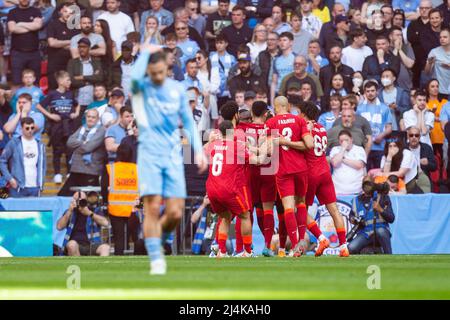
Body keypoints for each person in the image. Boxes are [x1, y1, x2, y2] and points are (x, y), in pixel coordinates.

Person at [131, 44, 206, 275]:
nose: (157, 77)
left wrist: (199, 151)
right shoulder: (141, 87)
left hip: (173, 153)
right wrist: (145, 51)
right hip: (149, 153)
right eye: (152, 73)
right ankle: (156, 258)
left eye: (160, 73)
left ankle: (156, 240)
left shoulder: (176, 90)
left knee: (175, 212)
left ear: (167, 68)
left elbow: (189, 123)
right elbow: (134, 76)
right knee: (152, 206)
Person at [298, 101, 349, 257]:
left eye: (300, 112)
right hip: (325, 172)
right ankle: (343, 246)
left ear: (304, 114)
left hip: (311, 173)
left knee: (299, 209)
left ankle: (319, 238)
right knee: (333, 210)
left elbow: (304, 146)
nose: (298, 115)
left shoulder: (306, 128)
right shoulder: (322, 128)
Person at [265, 96, 314, 257]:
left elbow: (269, 151)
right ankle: (300, 242)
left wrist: (282, 142)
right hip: (301, 168)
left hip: (283, 170)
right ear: (289, 106)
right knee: (300, 204)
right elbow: (309, 144)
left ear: (275, 107)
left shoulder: (271, 123)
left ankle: (294, 247)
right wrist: (291, 142)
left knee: (288, 208)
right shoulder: (299, 121)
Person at [205, 120, 258, 258]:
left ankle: (221, 251)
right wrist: (267, 148)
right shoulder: (236, 146)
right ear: (232, 131)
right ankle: (247, 251)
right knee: (245, 215)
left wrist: (210, 141)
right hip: (228, 188)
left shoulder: (212, 146)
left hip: (212, 189)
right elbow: (257, 161)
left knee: (224, 217)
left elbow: (202, 153)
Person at [36, 70, 80, 184]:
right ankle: (57, 173)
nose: (70, 82)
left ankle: (70, 172)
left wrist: (76, 113)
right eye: (68, 80)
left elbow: (77, 104)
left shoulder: (70, 94)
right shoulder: (52, 94)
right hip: (56, 126)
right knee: (57, 150)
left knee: (69, 149)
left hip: (69, 125)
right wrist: (50, 115)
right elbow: (39, 106)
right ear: (60, 81)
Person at [58, 108, 106, 196]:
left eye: (93, 117)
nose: (90, 119)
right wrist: (83, 143)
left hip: (91, 171)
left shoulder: (102, 130)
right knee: (63, 196)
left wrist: (76, 148)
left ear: (98, 119)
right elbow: (69, 142)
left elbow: (88, 147)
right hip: (76, 169)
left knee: (87, 200)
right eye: (88, 116)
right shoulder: (82, 128)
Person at [105, 142, 139, 256]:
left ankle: (118, 260)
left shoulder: (110, 169)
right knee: (136, 237)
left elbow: (104, 189)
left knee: (118, 238)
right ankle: (140, 260)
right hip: (134, 210)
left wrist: (106, 204)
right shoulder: (138, 169)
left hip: (115, 209)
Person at [347, 176, 395, 254]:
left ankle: (388, 254)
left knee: (381, 232)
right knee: (351, 248)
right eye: (365, 184)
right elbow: (351, 216)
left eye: (369, 183)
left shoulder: (382, 197)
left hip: (380, 228)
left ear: (373, 184)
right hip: (365, 232)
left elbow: (391, 218)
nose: (367, 186)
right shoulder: (356, 200)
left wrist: (380, 209)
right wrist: (353, 219)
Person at [0, 117, 46, 198]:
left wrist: (41, 183)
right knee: (18, 211)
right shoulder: (14, 143)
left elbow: (43, 166)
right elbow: (2, 160)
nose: (30, 130)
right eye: (27, 128)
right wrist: (10, 179)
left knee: (34, 211)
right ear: (21, 129)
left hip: (35, 187)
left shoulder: (40, 145)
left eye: (32, 128)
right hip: (18, 186)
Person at [57, 191, 110, 256]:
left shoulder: (93, 210)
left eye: (82, 200)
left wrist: (90, 214)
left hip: (92, 243)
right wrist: (69, 211)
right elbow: (59, 227)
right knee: (71, 245)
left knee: (105, 248)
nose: (79, 203)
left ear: (86, 200)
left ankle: (99, 266)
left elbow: (106, 223)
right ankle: (79, 266)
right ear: (73, 201)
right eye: (77, 201)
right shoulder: (70, 212)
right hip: (75, 244)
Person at [67, 38, 104, 127]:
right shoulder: (72, 62)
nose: (81, 49)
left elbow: (100, 78)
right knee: (76, 127)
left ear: (89, 48)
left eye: (84, 47)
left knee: (92, 127)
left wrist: (82, 77)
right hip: (77, 101)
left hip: (92, 101)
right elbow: (71, 81)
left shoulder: (96, 62)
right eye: (79, 47)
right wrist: (88, 82)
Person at [357, 81, 394, 170]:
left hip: (380, 147)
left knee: (379, 172)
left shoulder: (385, 108)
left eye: (372, 91)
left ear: (377, 91)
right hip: (364, 147)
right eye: (368, 91)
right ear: (364, 93)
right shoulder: (359, 108)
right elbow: (357, 127)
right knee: (365, 173)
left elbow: (389, 128)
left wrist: (381, 135)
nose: (370, 93)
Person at [7, 0, 43, 89]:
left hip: (34, 53)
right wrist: (31, 27)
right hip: (17, 53)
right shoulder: (12, 12)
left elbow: (38, 26)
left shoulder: (36, 11)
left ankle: (35, 103)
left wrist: (20, 24)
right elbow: (12, 29)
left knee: (35, 82)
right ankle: (16, 103)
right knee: (16, 83)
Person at [46, 2, 79, 90]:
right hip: (55, 65)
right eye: (65, 12)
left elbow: (77, 45)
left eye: (71, 13)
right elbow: (52, 43)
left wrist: (59, 43)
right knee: (53, 91)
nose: (68, 15)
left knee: (69, 92)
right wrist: (70, 41)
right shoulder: (53, 24)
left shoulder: (75, 27)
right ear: (61, 11)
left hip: (70, 65)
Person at [330, 129, 367, 195]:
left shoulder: (359, 149)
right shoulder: (335, 149)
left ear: (351, 139)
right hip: (337, 190)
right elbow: (335, 163)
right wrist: (343, 149)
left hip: (356, 190)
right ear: (339, 141)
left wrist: (343, 158)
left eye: (346, 140)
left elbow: (359, 165)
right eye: (342, 141)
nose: (344, 143)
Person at [407, 0, 432, 88]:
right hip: (416, 63)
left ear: (431, 9)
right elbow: (411, 39)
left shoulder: (436, 24)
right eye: (422, 8)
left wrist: (419, 35)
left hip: (432, 63)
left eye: (427, 8)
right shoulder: (413, 24)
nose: (424, 10)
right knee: (417, 89)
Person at [425, 79, 447, 180]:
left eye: (437, 86)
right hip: (430, 137)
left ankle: (444, 181)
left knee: (444, 161)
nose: (435, 88)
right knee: (432, 163)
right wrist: (439, 118)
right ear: (428, 89)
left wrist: (433, 117)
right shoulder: (424, 103)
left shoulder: (445, 102)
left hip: (443, 136)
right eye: (432, 86)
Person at [407, 126, 436, 193]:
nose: (414, 137)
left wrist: (427, 163)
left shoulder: (426, 148)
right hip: (408, 179)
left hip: (424, 178)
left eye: (416, 135)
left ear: (419, 137)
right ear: (408, 137)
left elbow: (434, 167)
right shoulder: (404, 148)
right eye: (411, 135)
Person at [209, 34, 236, 107]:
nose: (218, 45)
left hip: (227, 89)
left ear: (226, 44)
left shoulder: (231, 58)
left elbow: (234, 74)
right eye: (217, 43)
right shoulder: (211, 57)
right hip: (214, 89)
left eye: (221, 43)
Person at [424, 28, 450, 100]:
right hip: (438, 90)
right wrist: (429, 63)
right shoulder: (434, 52)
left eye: (445, 37)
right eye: (440, 37)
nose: (442, 39)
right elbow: (426, 72)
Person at [270, 31, 295, 105]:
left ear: (291, 42)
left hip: (292, 93)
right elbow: (274, 82)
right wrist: (272, 102)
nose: (282, 42)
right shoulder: (276, 60)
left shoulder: (296, 58)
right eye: (280, 40)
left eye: (284, 40)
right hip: (280, 94)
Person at [389, 26, 415, 91]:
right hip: (391, 85)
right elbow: (391, 65)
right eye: (397, 35)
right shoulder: (387, 48)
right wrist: (396, 48)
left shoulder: (407, 47)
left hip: (406, 86)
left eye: (401, 35)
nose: (400, 37)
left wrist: (399, 50)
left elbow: (409, 65)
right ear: (390, 37)